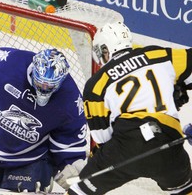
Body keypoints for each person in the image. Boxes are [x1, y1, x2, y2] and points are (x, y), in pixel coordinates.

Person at [67, 22, 192, 195]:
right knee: (185, 189)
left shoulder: (95, 85)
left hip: (126, 149)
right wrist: (177, 88)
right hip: (169, 142)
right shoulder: (159, 54)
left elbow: (102, 137)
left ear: (105, 49)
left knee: (81, 190)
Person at [0, 47, 88, 193]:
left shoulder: (70, 101)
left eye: (50, 85)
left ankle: (40, 174)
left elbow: (69, 141)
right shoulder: (6, 65)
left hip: (33, 158)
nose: (44, 89)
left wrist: (70, 168)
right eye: (40, 82)